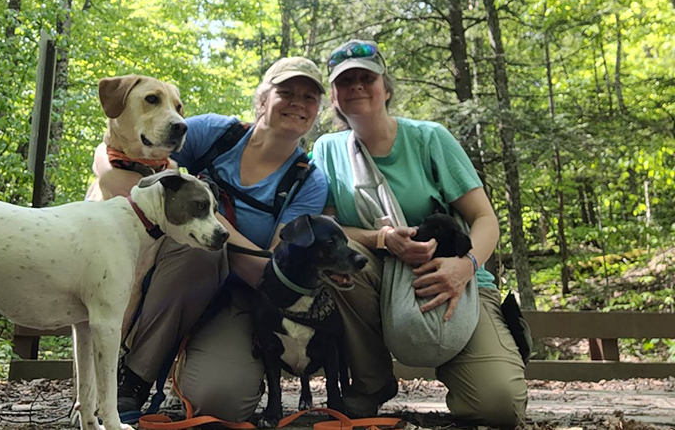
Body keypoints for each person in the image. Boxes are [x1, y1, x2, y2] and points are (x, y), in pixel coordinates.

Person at [91, 57, 328, 422]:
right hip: (172, 274)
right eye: (286, 92)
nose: (298, 102)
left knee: (222, 401)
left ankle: (192, 362)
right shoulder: (215, 134)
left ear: (316, 112)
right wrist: (105, 172)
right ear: (263, 98)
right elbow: (122, 153)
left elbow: (273, 273)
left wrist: (204, 224)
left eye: (310, 97)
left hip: (239, 298)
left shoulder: (307, 182)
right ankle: (133, 378)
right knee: (196, 251)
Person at [311, 39, 528, 427]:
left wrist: (465, 266)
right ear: (334, 96)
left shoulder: (430, 139)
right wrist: (381, 240)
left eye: (367, 77)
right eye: (345, 82)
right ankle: (371, 382)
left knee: (498, 407)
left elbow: (485, 220)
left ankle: (465, 360)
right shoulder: (327, 151)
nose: (357, 86)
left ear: (386, 88)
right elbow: (327, 230)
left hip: (454, 275)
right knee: (332, 264)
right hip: (376, 278)